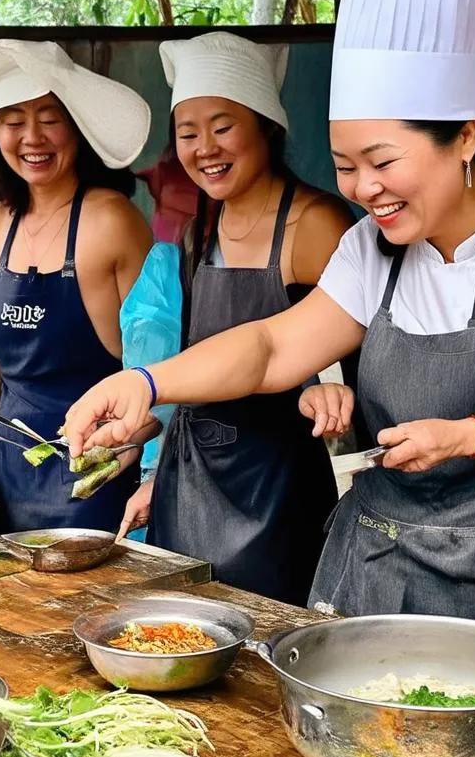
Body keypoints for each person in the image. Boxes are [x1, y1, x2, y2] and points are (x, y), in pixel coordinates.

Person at [65, 0, 475, 627]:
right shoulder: (370, 246)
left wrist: (468, 435)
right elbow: (271, 346)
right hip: (376, 562)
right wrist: (147, 384)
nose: (361, 189)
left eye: (382, 162)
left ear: (465, 136)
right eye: (346, 166)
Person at [116, 32, 353, 604]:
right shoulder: (199, 230)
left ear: (266, 126)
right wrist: (154, 470)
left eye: (223, 127)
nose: (205, 148)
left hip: (279, 489)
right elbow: (194, 370)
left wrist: (325, 390)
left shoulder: (315, 222)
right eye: (188, 133)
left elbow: (359, 355)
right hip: (191, 480)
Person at [0, 40, 152, 536]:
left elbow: (157, 361)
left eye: (49, 118)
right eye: (13, 121)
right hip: (4, 475)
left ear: (77, 126)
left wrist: (141, 454)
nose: (32, 137)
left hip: (96, 475)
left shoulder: (112, 220)